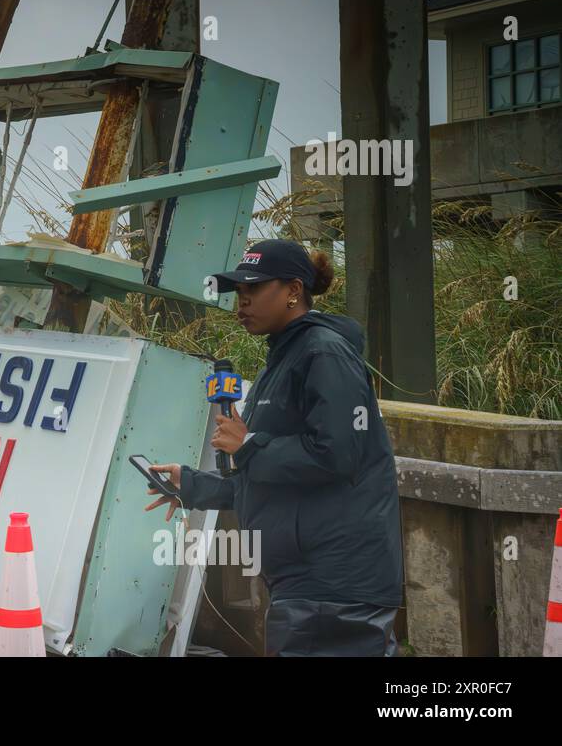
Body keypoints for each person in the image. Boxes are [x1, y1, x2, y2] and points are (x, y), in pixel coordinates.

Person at [145, 239, 404, 656]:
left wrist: (246, 443)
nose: (241, 302)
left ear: (293, 291)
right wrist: (193, 486)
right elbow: (273, 473)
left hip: (334, 582)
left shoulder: (325, 354)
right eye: (238, 293)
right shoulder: (283, 361)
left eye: (254, 290)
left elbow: (338, 455)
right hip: (305, 580)